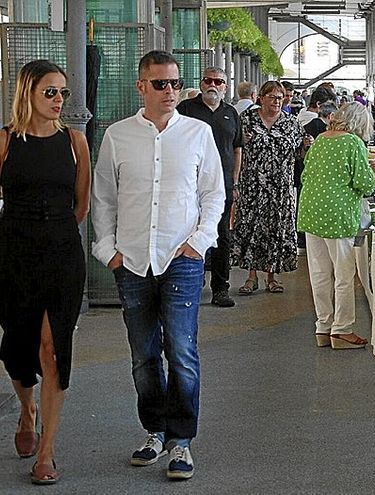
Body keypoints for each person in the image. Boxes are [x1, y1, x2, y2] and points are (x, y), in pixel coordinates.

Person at [91, 50, 225, 481]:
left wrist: (199, 243)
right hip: (130, 260)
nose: (170, 91)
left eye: (174, 83)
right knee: (143, 355)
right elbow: (103, 198)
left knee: (182, 351)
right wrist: (108, 249)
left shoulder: (198, 134)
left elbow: (213, 195)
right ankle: (155, 431)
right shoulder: (117, 136)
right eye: (160, 84)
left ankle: (182, 442)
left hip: (181, 258)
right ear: (141, 87)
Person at [0, 60, 90, 486]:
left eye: (63, 93)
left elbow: (81, 205)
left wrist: (54, 230)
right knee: (17, 349)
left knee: (54, 348)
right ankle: (27, 407)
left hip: (60, 253)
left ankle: (47, 451)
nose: (58, 101)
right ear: (28, 94)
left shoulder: (75, 142)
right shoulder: (4, 142)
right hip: (13, 253)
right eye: (49, 92)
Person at [300, 103, 375, 349]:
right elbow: (365, 183)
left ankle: (323, 326)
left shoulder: (320, 139)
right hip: (338, 214)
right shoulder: (353, 144)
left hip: (311, 210)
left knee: (319, 273)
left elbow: (305, 175)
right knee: (343, 274)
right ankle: (342, 330)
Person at [176, 66, 242, 308]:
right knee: (190, 231)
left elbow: (237, 149)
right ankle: (191, 282)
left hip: (221, 185)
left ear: (225, 87)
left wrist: (235, 182)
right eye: (208, 80)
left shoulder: (231, 113)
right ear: (201, 83)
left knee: (221, 235)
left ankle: (221, 288)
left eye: (218, 81)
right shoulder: (186, 109)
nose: (213, 85)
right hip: (190, 184)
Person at [232, 81, 305, 294]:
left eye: (280, 98)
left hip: (280, 186)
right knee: (253, 228)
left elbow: (300, 153)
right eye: (272, 97)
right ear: (260, 98)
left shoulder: (291, 123)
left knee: (276, 229)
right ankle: (251, 276)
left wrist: (307, 146)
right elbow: (236, 150)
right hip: (253, 185)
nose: (276, 101)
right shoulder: (246, 120)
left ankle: (272, 276)